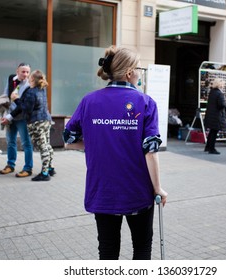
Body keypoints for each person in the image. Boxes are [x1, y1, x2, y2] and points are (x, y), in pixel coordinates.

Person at [63, 45, 168, 260]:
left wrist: (94, 141)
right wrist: (158, 188)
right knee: (141, 248)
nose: (140, 73)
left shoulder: (89, 101)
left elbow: (68, 140)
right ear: (130, 72)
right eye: (138, 68)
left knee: (108, 251)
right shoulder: (146, 103)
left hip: (103, 190)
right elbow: (151, 151)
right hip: (137, 191)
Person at [11, 70, 55, 181]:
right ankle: (50, 168)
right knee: (47, 145)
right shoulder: (42, 89)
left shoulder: (31, 92)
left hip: (36, 122)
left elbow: (26, 109)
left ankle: (44, 173)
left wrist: (16, 99)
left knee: (42, 146)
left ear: (32, 79)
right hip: (46, 120)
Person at [0, 63, 33, 177]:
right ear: (17, 71)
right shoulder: (11, 78)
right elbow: (6, 95)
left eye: (28, 72)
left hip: (21, 117)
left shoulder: (29, 85)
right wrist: (4, 112)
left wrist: (9, 117)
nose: (26, 74)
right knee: (10, 142)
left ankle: (28, 168)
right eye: (23, 71)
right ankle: (10, 165)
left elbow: (22, 106)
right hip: (9, 114)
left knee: (26, 143)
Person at [204, 78, 226, 154]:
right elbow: (221, 104)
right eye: (223, 84)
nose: (223, 85)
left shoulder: (212, 92)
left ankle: (208, 147)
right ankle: (212, 148)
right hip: (217, 116)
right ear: (220, 84)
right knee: (214, 132)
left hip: (211, 115)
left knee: (212, 132)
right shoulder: (219, 93)